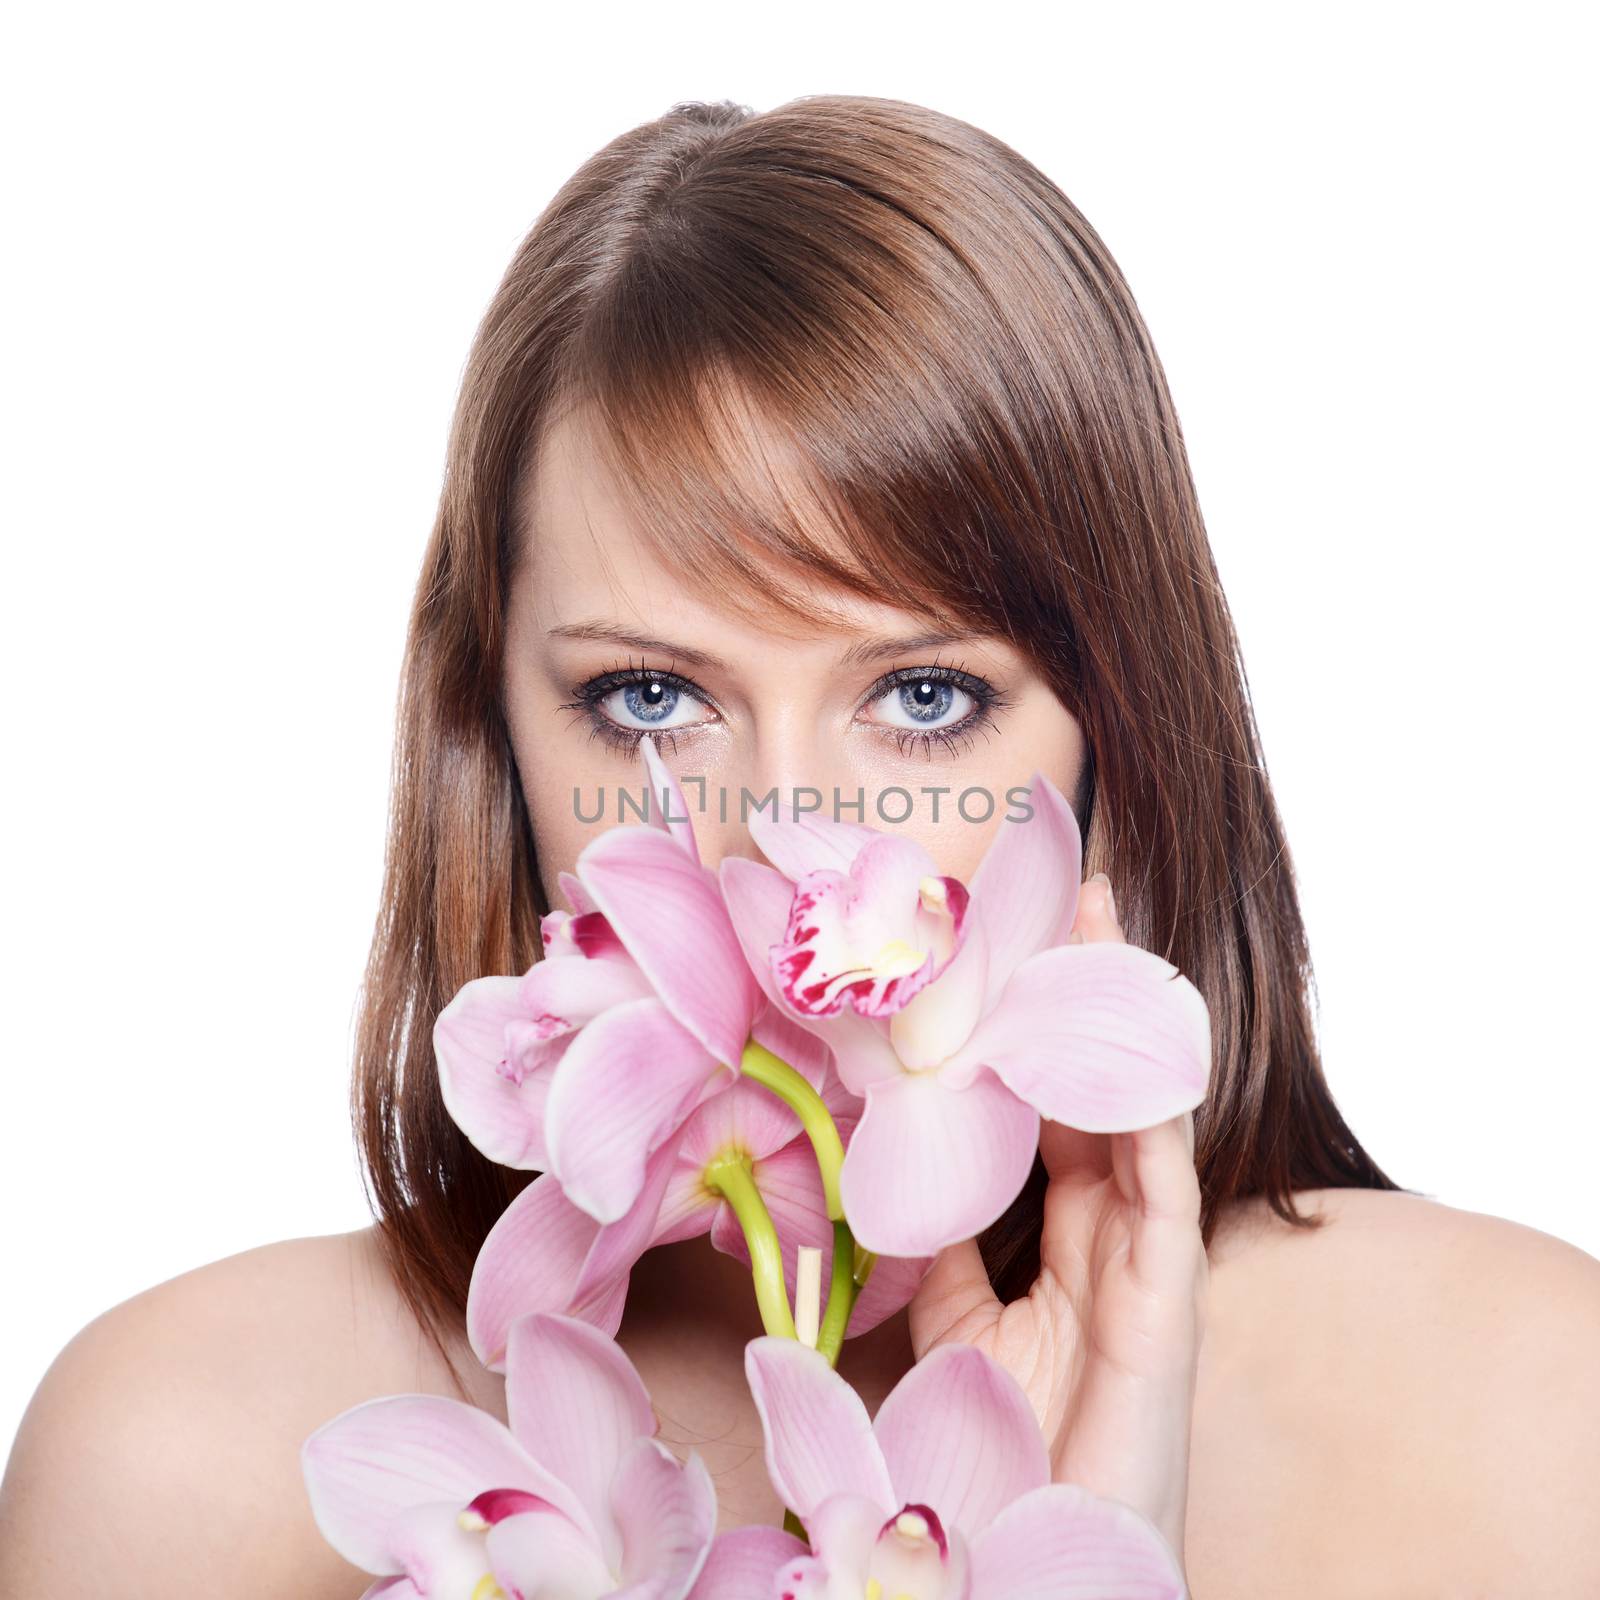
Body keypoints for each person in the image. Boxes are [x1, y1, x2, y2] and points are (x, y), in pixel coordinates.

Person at [3, 94, 1597, 1598]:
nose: (784, 850)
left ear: (1120, 721)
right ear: (489, 733)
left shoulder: (1525, 1419)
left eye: (922, 696)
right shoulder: (192, 1463)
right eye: (647, 698)